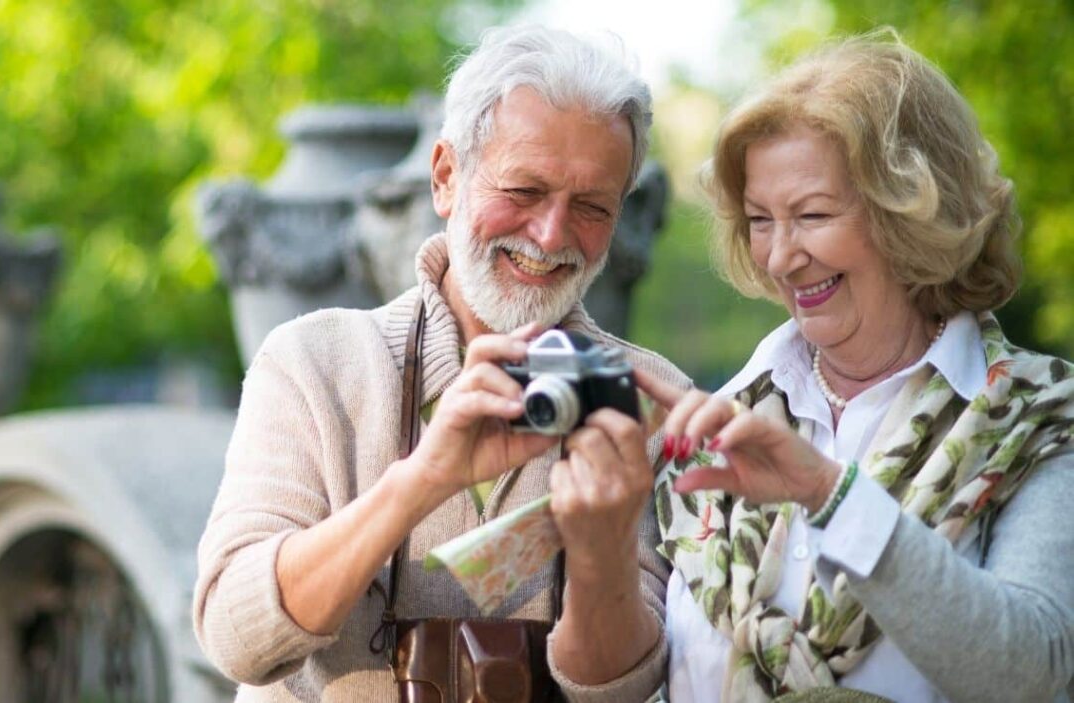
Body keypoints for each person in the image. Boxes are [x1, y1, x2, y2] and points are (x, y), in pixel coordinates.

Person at [193, 24, 691, 702]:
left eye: (591, 207)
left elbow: (620, 689)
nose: (550, 235)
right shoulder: (313, 363)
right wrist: (423, 479)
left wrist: (603, 546)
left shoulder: (651, 399)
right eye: (524, 190)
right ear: (445, 177)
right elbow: (236, 639)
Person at [638, 31, 1074, 702]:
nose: (780, 256)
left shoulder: (1040, 420)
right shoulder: (713, 419)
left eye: (811, 215)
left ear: (911, 214)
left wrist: (830, 495)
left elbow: (1028, 671)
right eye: (759, 219)